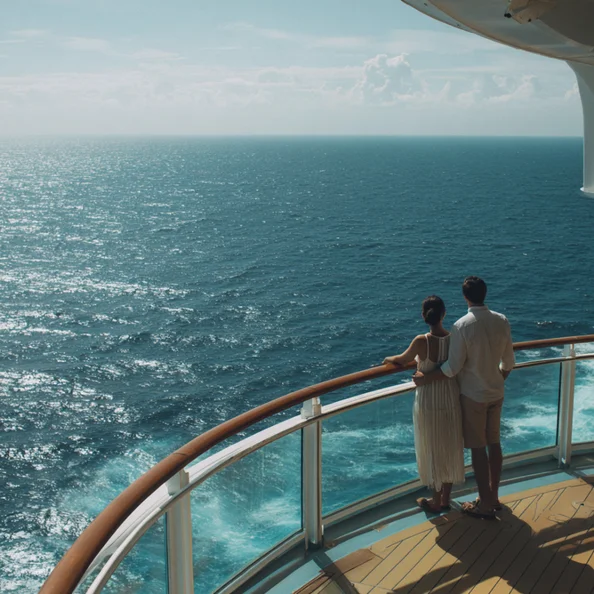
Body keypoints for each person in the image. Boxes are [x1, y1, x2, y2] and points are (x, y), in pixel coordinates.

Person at [413, 276, 515, 519]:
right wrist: (497, 378)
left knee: (478, 450)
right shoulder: (502, 320)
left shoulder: (462, 326)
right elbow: (509, 362)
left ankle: (485, 506)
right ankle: (494, 497)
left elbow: (452, 368)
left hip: (473, 396)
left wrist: (425, 378)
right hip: (496, 392)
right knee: (495, 444)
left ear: (465, 297)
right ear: (484, 294)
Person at [384, 295, 464, 513]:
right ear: (444, 314)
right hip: (449, 396)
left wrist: (388, 359)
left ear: (423, 316)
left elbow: (401, 359)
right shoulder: (454, 339)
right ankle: (446, 498)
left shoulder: (422, 341)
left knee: (432, 446)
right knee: (448, 445)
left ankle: (435, 501)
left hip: (428, 399)